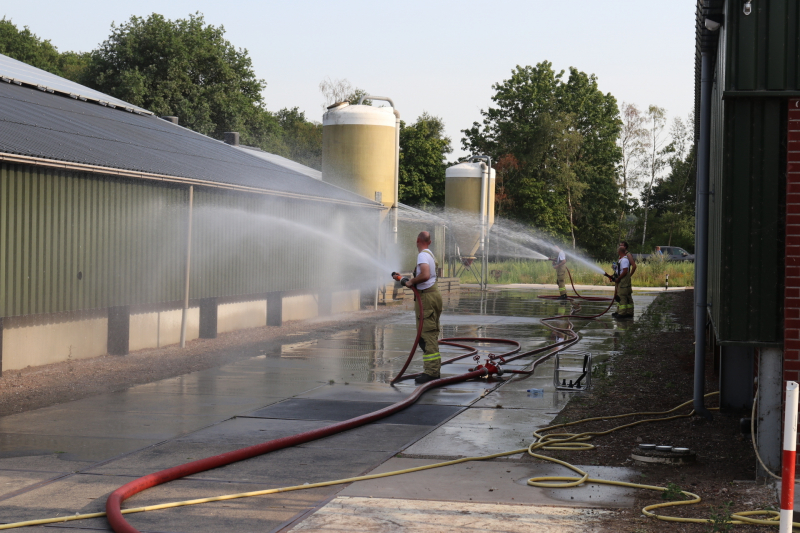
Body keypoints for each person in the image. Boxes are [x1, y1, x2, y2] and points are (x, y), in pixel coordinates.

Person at [401, 231, 443, 384]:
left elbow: (424, 275)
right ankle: (434, 370)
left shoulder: (422, 256)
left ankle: (431, 372)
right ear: (430, 242)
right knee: (430, 333)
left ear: (417, 240)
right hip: (433, 296)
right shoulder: (430, 254)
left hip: (426, 299)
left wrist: (411, 281)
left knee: (426, 335)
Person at [604, 245, 634, 319]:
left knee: (622, 296)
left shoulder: (624, 260)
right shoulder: (622, 259)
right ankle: (627, 312)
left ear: (620, 252)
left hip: (623, 281)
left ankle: (622, 313)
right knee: (624, 296)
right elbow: (621, 270)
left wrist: (618, 278)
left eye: (618, 251)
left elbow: (624, 271)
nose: (617, 252)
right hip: (622, 280)